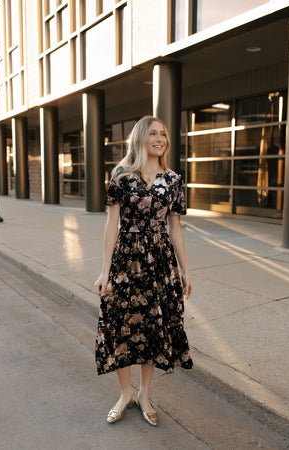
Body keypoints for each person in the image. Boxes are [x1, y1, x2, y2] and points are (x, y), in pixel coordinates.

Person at [94, 115, 193, 426]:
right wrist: (105, 270)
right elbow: (111, 224)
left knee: (152, 327)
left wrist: (185, 270)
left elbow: (175, 229)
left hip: (160, 261)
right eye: (153, 133)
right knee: (120, 325)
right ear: (140, 138)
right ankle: (125, 394)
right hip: (125, 258)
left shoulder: (174, 179)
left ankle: (144, 394)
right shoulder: (122, 175)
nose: (160, 138)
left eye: (163, 134)